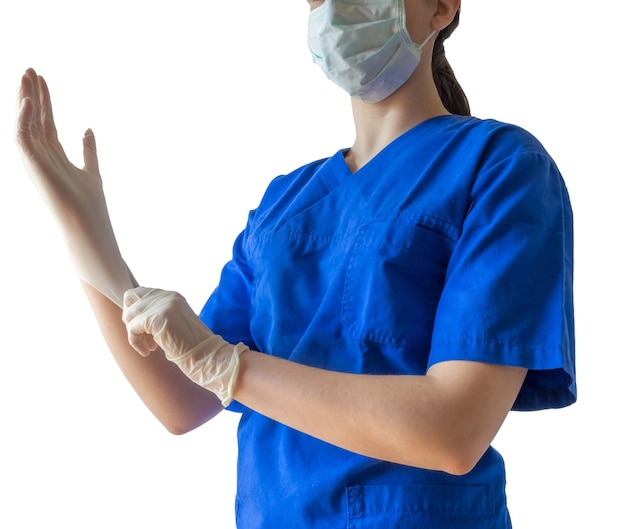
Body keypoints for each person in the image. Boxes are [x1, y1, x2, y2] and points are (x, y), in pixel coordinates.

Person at [15, 0, 576, 527]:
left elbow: (454, 429)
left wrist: (230, 366)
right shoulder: (284, 205)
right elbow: (181, 398)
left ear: (441, 5)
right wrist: (86, 234)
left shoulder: (500, 167)